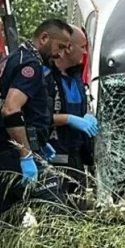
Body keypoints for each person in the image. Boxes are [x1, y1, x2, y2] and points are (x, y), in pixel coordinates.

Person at [0, 19, 72, 240]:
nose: (61, 54)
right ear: (44, 38)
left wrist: (41, 140)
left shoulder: (10, 60)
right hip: (17, 155)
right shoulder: (30, 65)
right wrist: (26, 154)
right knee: (56, 217)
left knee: (7, 223)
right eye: (60, 47)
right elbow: (11, 109)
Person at [48, 26, 98, 207]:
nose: (84, 51)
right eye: (82, 46)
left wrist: (87, 115)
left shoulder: (75, 77)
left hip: (76, 157)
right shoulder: (46, 76)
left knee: (79, 211)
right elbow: (36, 117)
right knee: (57, 216)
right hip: (54, 158)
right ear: (68, 47)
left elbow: (83, 106)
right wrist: (69, 119)